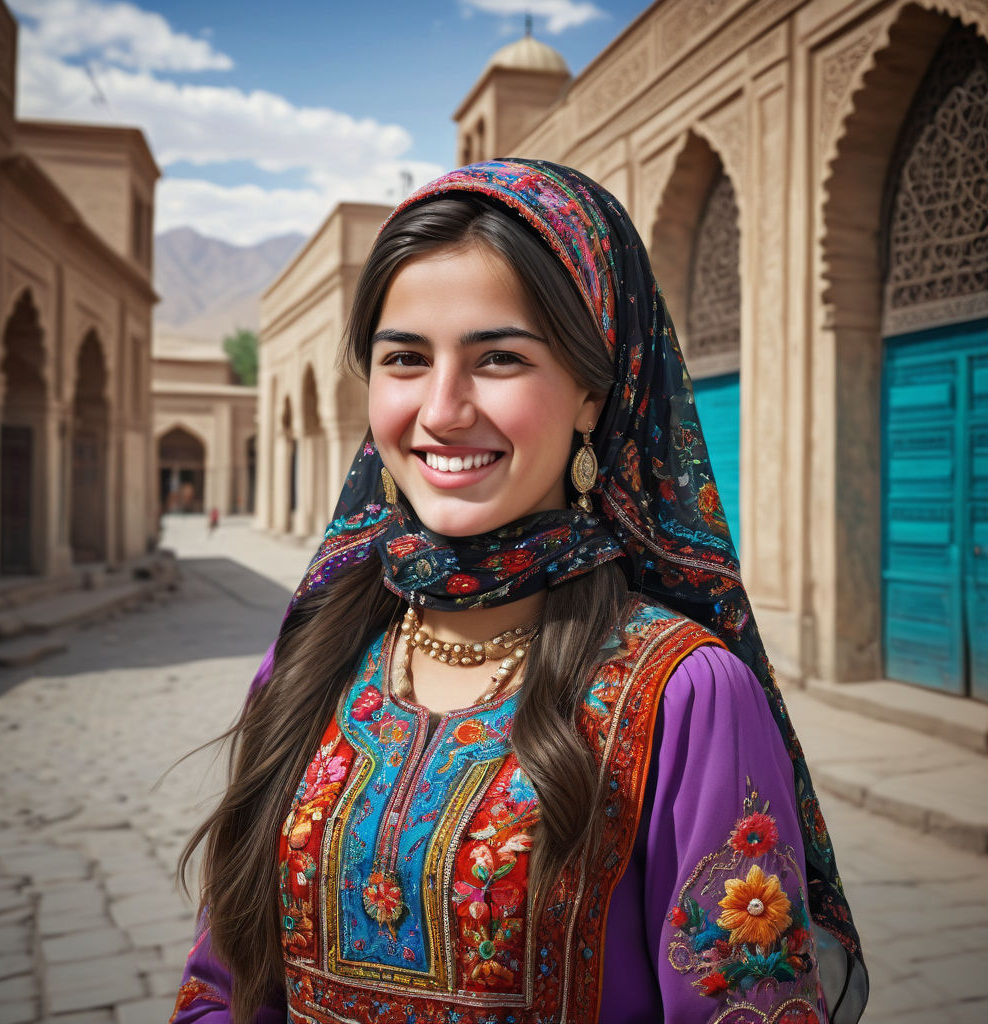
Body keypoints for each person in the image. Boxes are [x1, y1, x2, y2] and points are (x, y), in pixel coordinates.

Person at [171, 160, 868, 1024]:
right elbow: (223, 984)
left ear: (591, 393)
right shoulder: (311, 659)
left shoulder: (685, 695)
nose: (441, 409)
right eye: (404, 359)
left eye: (498, 357)